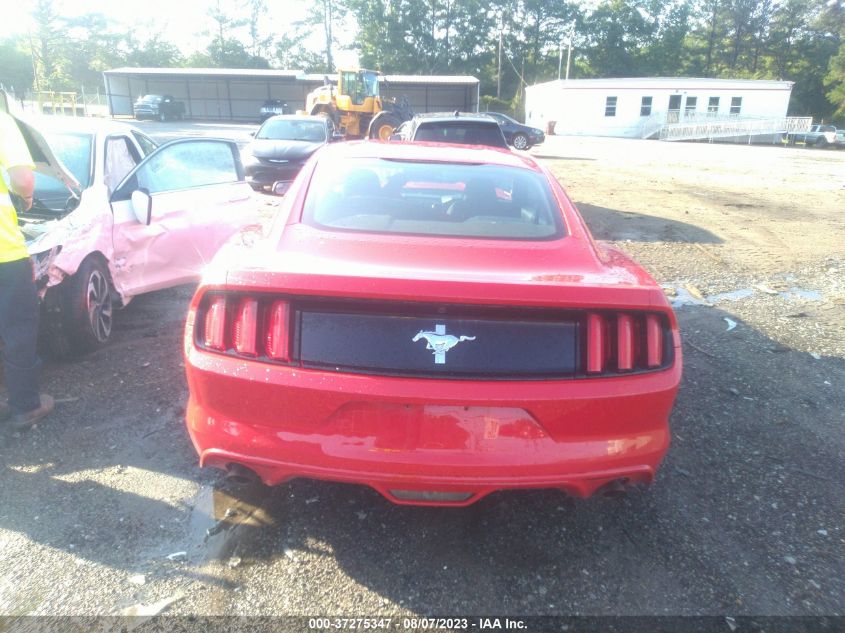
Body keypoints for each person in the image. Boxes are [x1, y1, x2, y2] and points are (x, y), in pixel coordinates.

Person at [0, 110, 53, 429]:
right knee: (19, 327)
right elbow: (22, 178)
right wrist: (27, 195)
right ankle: (25, 406)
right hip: (4, 254)